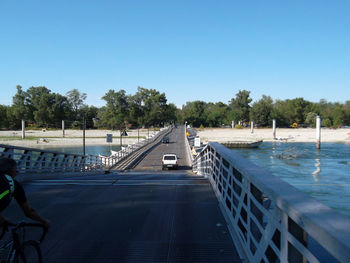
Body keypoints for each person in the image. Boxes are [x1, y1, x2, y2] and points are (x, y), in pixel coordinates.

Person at [0, 157, 50, 229]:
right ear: (11, 171)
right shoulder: (13, 185)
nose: (17, 172)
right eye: (15, 170)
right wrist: (44, 221)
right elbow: (28, 212)